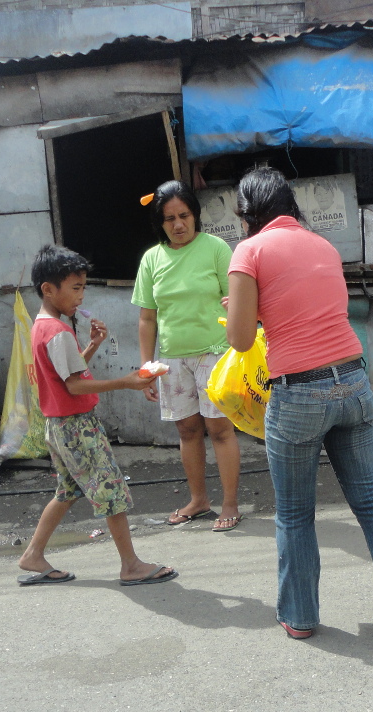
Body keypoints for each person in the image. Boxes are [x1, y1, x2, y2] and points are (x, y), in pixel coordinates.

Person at [224, 165, 373, 639]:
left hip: (299, 392)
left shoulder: (249, 250)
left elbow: (239, 340)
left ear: (248, 212)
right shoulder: (323, 246)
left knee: (295, 513)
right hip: (354, 383)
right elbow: (311, 312)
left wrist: (241, 308)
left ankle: (299, 617)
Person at [17, 244, 178, 587]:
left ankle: (33, 554)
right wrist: (127, 382)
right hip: (77, 427)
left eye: (83, 288)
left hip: (58, 426)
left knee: (67, 490)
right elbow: (75, 386)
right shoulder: (58, 332)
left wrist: (92, 345)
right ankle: (130, 565)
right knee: (111, 490)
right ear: (48, 289)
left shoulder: (42, 326)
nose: (81, 296)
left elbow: (68, 376)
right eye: (75, 288)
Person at [133, 181, 243, 533]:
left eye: (184, 215)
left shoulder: (216, 249)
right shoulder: (151, 259)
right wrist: (147, 367)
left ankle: (230, 503)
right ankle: (199, 501)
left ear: (195, 215)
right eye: (169, 219)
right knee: (187, 430)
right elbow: (147, 318)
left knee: (220, 429)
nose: (178, 224)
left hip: (216, 355)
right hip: (173, 360)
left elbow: (237, 301)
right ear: (160, 223)